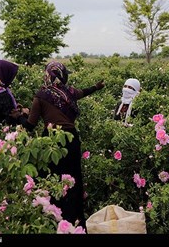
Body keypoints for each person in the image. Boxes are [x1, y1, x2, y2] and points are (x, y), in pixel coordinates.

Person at [13, 61, 104, 229]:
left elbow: (30, 125)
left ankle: (52, 219)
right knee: (73, 179)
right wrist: (97, 87)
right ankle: (74, 222)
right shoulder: (69, 92)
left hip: (52, 142)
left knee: (51, 179)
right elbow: (83, 92)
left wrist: (18, 116)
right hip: (72, 139)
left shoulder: (41, 96)